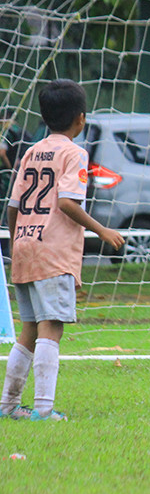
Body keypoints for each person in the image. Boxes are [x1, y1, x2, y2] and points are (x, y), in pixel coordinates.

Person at [0, 79, 124, 421]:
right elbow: (67, 202)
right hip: (52, 251)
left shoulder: (30, 152)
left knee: (28, 328)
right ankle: (43, 408)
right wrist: (102, 229)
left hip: (24, 244)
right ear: (80, 120)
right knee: (51, 326)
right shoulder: (75, 153)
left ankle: (8, 405)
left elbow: (13, 205)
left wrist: (17, 241)